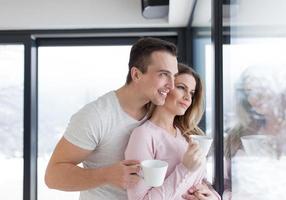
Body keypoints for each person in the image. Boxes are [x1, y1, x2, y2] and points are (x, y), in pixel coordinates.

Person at [44, 37, 179, 200]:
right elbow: (53, 176)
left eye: (174, 76)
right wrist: (106, 175)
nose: (171, 85)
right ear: (136, 74)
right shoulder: (96, 117)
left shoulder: (159, 111)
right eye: (164, 75)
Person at [125, 63, 220, 200]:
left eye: (192, 93)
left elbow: (201, 183)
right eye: (182, 88)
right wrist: (185, 168)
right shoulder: (143, 136)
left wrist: (213, 197)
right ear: (164, 88)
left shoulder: (189, 136)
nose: (188, 97)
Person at [223, 66, 283, 200]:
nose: (257, 97)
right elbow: (225, 183)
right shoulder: (236, 135)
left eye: (261, 89)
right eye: (250, 92)